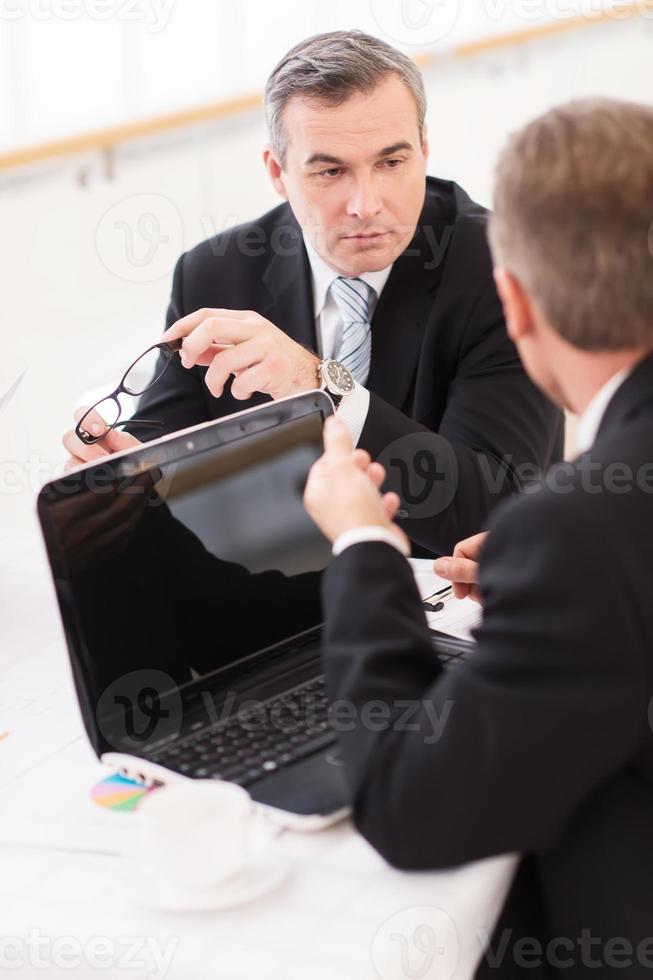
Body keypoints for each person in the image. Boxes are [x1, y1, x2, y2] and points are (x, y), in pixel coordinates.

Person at [304, 98, 653, 977]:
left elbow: (408, 809)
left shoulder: (580, 530)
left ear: (516, 305)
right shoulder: (583, 535)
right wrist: (556, 585)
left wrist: (363, 547)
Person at [63, 30, 562, 556]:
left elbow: (491, 511)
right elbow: (167, 461)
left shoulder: (504, 265)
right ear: (277, 173)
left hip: (446, 602)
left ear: (424, 149)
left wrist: (317, 382)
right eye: (330, 171)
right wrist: (122, 472)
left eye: (391, 163)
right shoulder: (216, 273)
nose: (366, 204)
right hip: (282, 597)